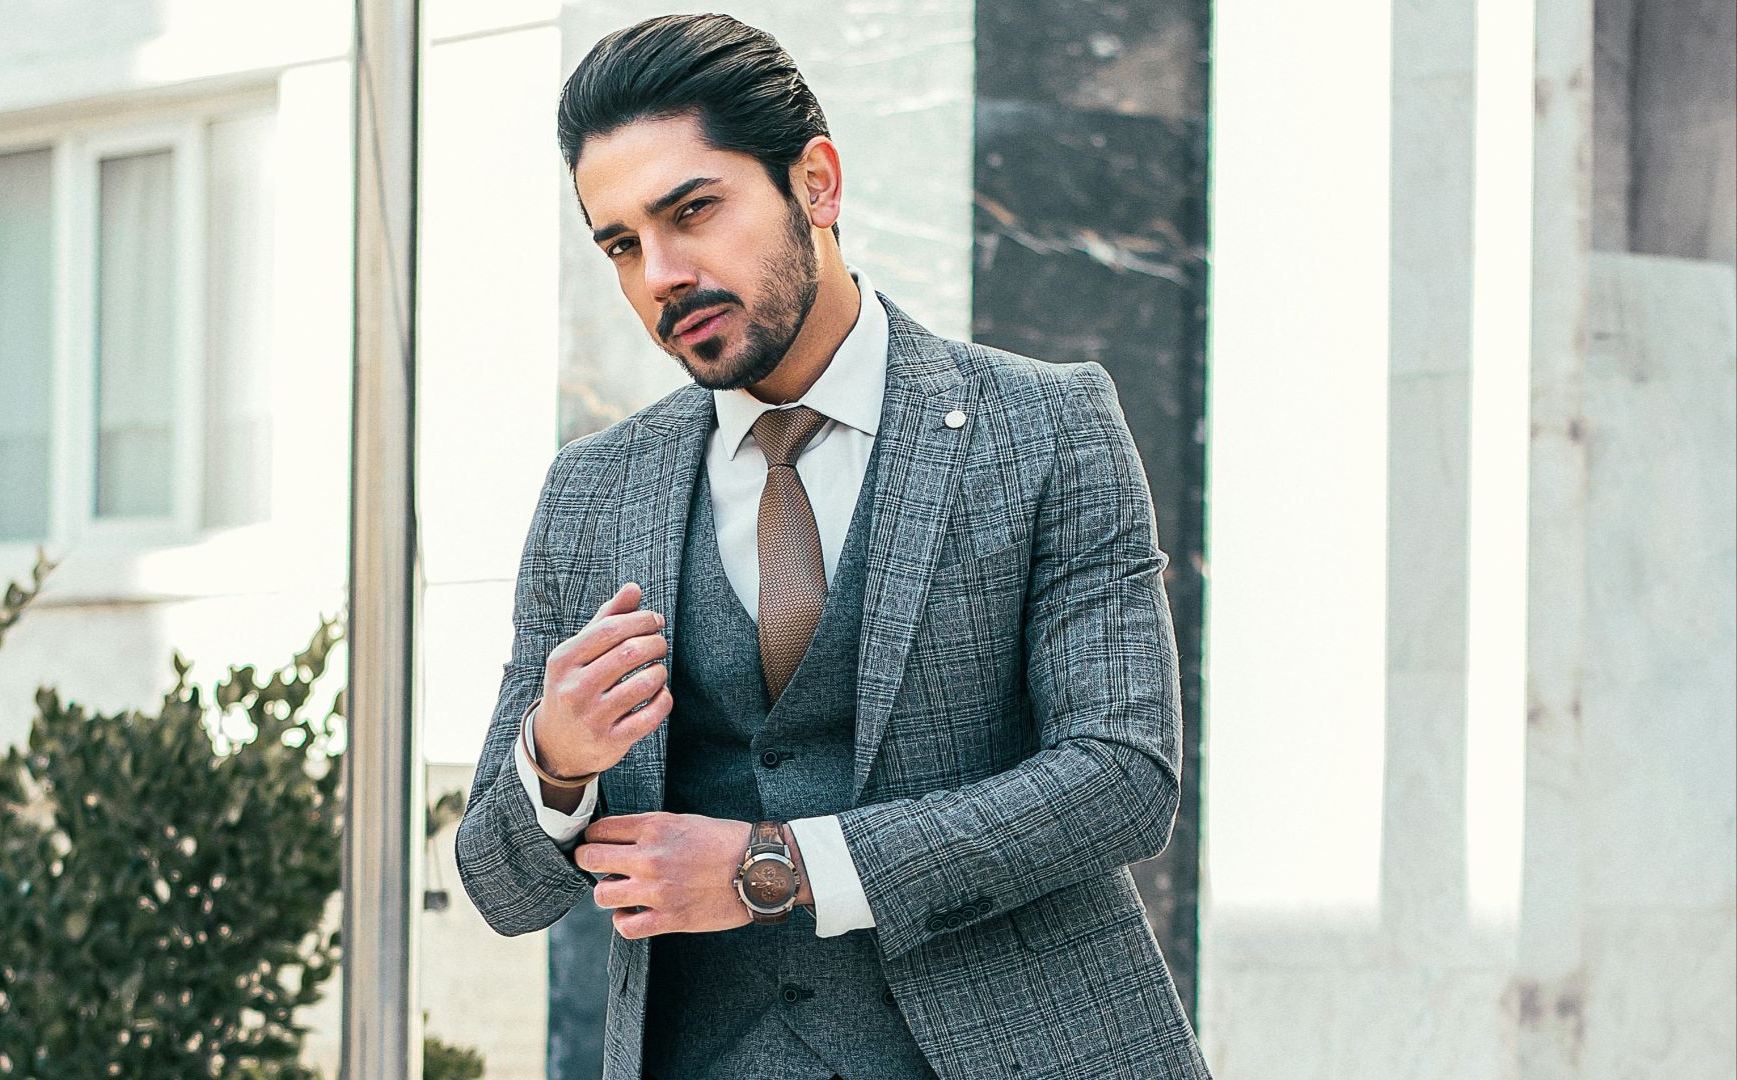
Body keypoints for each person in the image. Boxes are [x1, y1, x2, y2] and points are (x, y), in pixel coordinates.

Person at [455, 13, 1211, 1080]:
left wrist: (779, 866)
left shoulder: (1045, 428)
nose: (662, 274)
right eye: (622, 243)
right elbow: (497, 885)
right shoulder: (593, 491)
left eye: (693, 210)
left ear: (816, 182)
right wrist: (556, 760)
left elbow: (1123, 777)